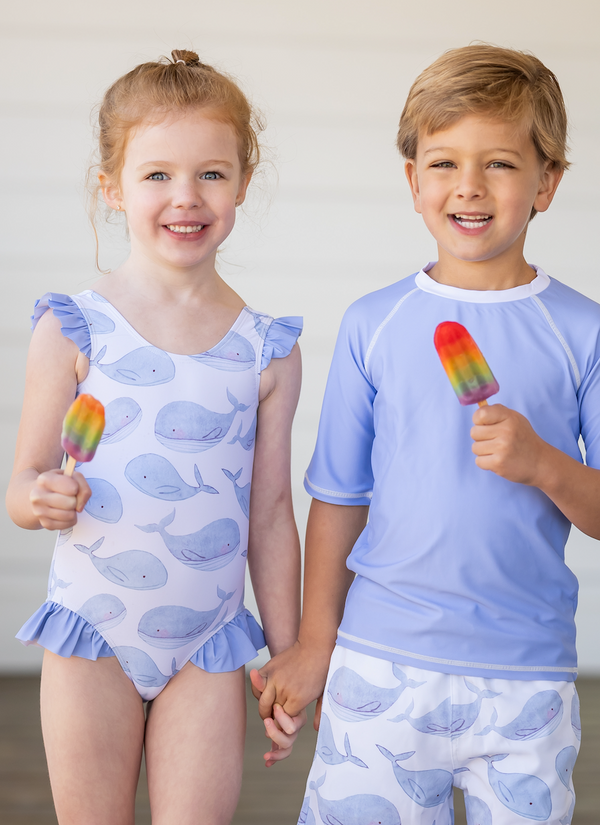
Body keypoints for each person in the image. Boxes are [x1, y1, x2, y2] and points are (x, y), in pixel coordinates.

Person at [250, 44, 600, 824]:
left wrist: (544, 462)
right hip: (382, 664)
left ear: (548, 181)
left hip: (526, 679)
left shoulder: (582, 330)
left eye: (502, 164)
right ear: (413, 180)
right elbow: (338, 495)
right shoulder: (376, 323)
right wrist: (315, 643)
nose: (469, 186)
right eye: (443, 162)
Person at [6, 49, 302, 825]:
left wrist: (290, 653)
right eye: (157, 174)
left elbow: (270, 513)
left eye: (211, 173)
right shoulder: (72, 327)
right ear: (112, 188)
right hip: (92, 634)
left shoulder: (266, 347)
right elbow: (24, 484)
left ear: (242, 182)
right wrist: (42, 496)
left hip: (206, 645)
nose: (186, 196)